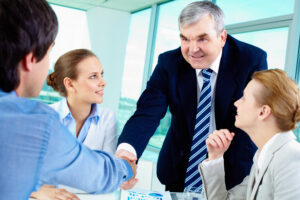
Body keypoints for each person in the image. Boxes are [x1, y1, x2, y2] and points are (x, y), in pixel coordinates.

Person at [117, 1, 268, 192]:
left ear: (222, 37)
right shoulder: (169, 63)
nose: (192, 49)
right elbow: (148, 112)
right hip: (179, 171)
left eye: (202, 39)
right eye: (185, 39)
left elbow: (257, 118)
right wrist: (126, 153)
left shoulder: (250, 60)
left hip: (233, 173)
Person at [0, 0, 136, 199]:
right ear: (30, 59)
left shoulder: (107, 117)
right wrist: (127, 167)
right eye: (49, 52)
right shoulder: (36, 123)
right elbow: (97, 173)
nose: (103, 82)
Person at [199, 69, 300, 199]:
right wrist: (215, 158)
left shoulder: (291, 158)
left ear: (263, 112)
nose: (236, 103)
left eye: (244, 98)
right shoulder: (261, 157)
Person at [31, 49, 118, 199]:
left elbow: (107, 173)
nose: (103, 82)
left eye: (101, 75)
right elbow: (21, 174)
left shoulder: (107, 118)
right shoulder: (45, 117)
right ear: (70, 84)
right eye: (93, 76)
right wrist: (38, 191)